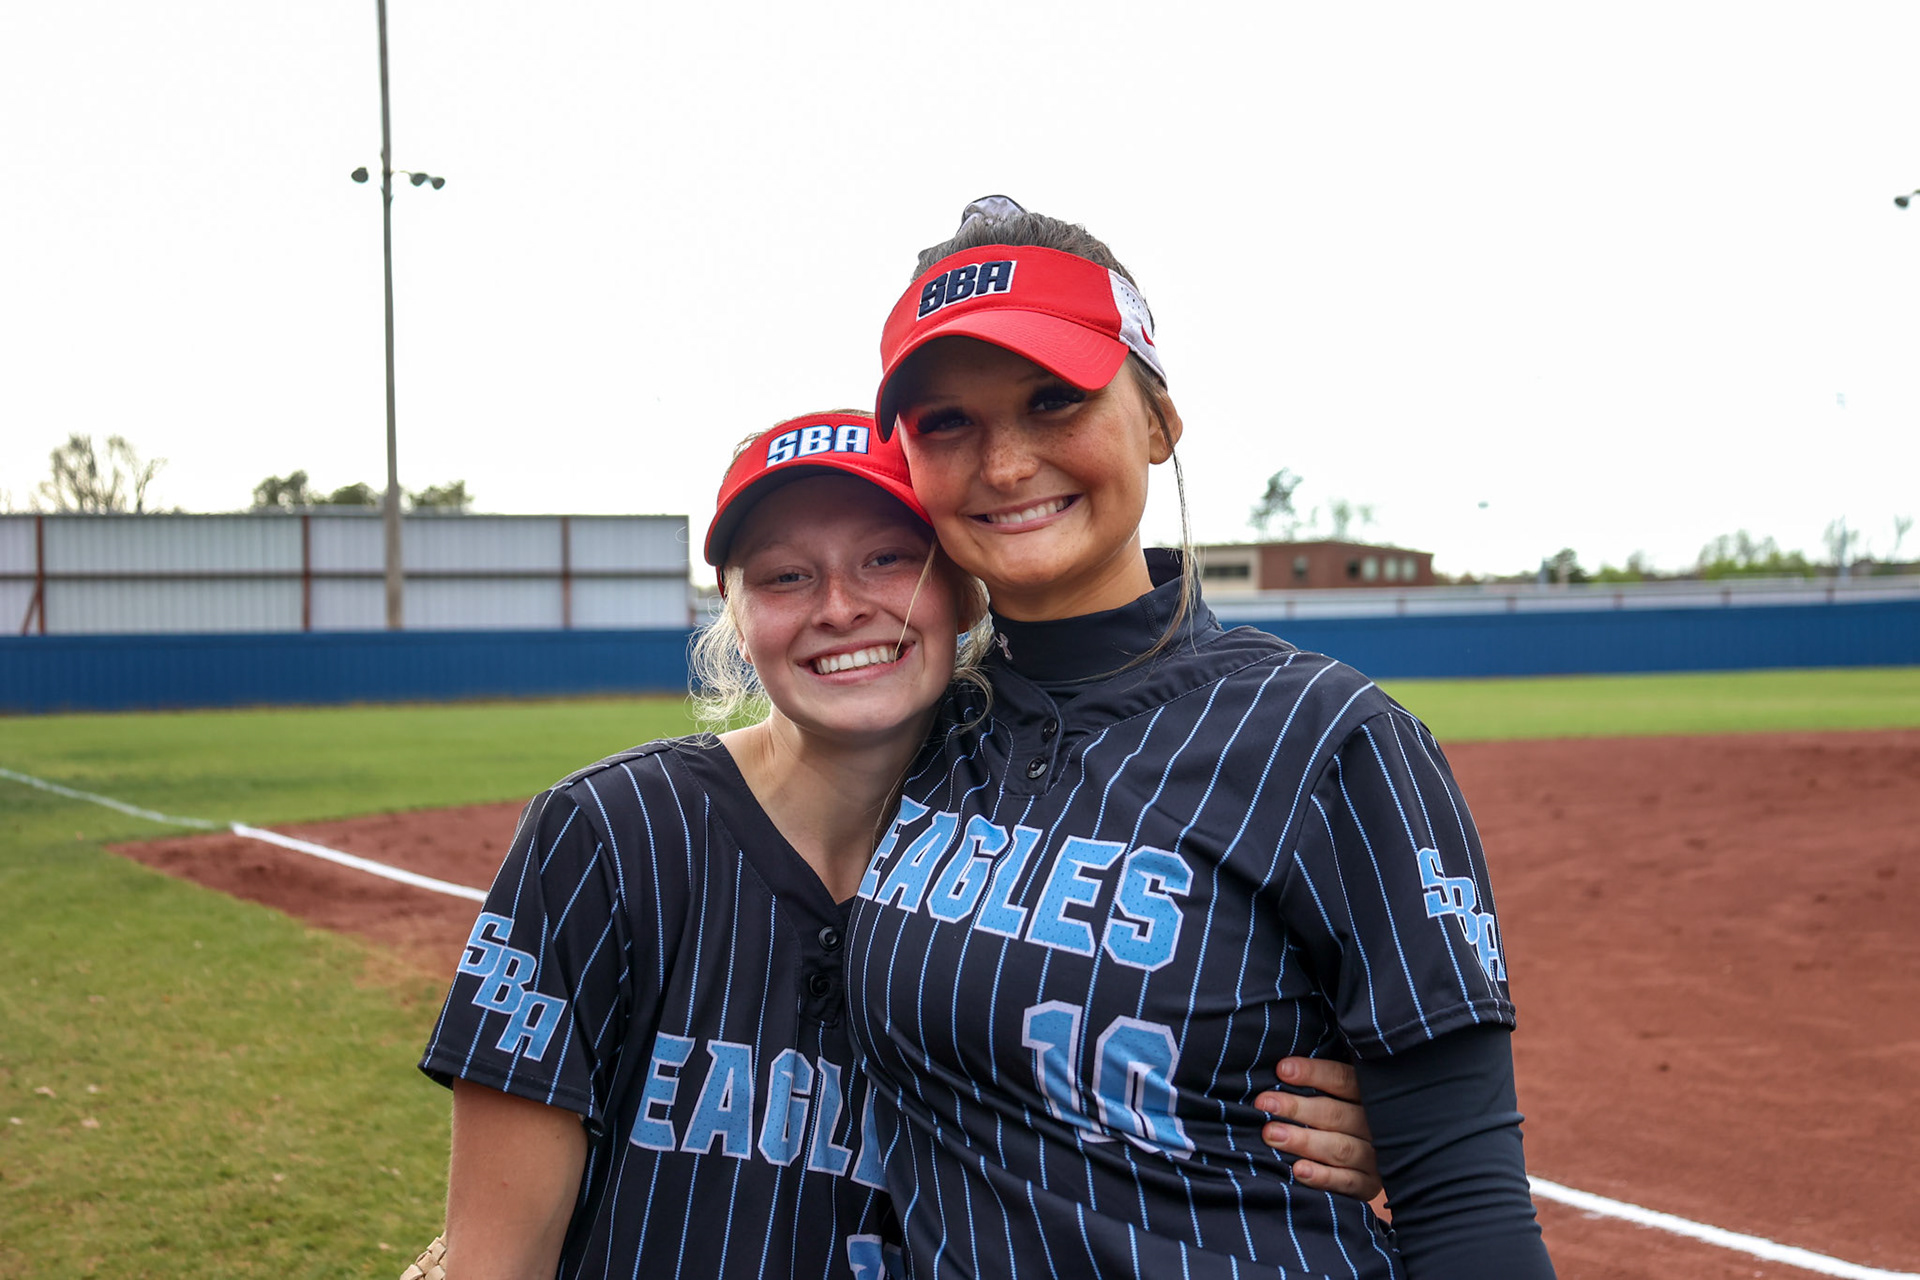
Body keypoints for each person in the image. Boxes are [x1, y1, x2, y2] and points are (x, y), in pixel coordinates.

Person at [412, 411, 1384, 1279]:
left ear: (964, 592)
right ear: (737, 615)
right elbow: (497, 1256)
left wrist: (1376, 1125)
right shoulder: (610, 834)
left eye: (887, 557)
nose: (839, 605)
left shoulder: (1068, 841)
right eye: (785, 575)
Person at [846, 200, 1556, 1278]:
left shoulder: (1326, 738)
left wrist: (1392, 1131)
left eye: (1054, 399)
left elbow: (1466, 1205)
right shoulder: (909, 734)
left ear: (1158, 422)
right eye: (947, 422)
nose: (1003, 463)